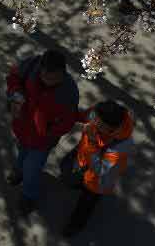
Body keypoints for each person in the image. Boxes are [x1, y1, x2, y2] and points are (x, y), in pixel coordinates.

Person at [6, 49, 79, 213]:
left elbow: (68, 121)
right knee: (22, 152)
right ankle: (19, 172)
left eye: (53, 78)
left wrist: (49, 129)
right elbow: (13, 78)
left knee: (32, 167)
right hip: (23, 128)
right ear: (40, 68)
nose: (47, 80)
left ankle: (28, 195)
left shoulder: (68, 92)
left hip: (43, 139)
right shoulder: (30, 66)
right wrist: (15, 93)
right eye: (44, 75)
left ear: (62, 73)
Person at [62, 100, 135, 237]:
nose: (93, 122)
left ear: (111, 128)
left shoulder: (120, 148)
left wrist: (91, 142)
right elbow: (84, 116)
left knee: (85, 205)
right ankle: (77, 183)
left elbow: (101, 170)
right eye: (95, 118)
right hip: (83, 160)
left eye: (99, 123)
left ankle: (75, 225)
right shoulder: (100, 115)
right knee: (66, 168)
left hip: (98, 182)